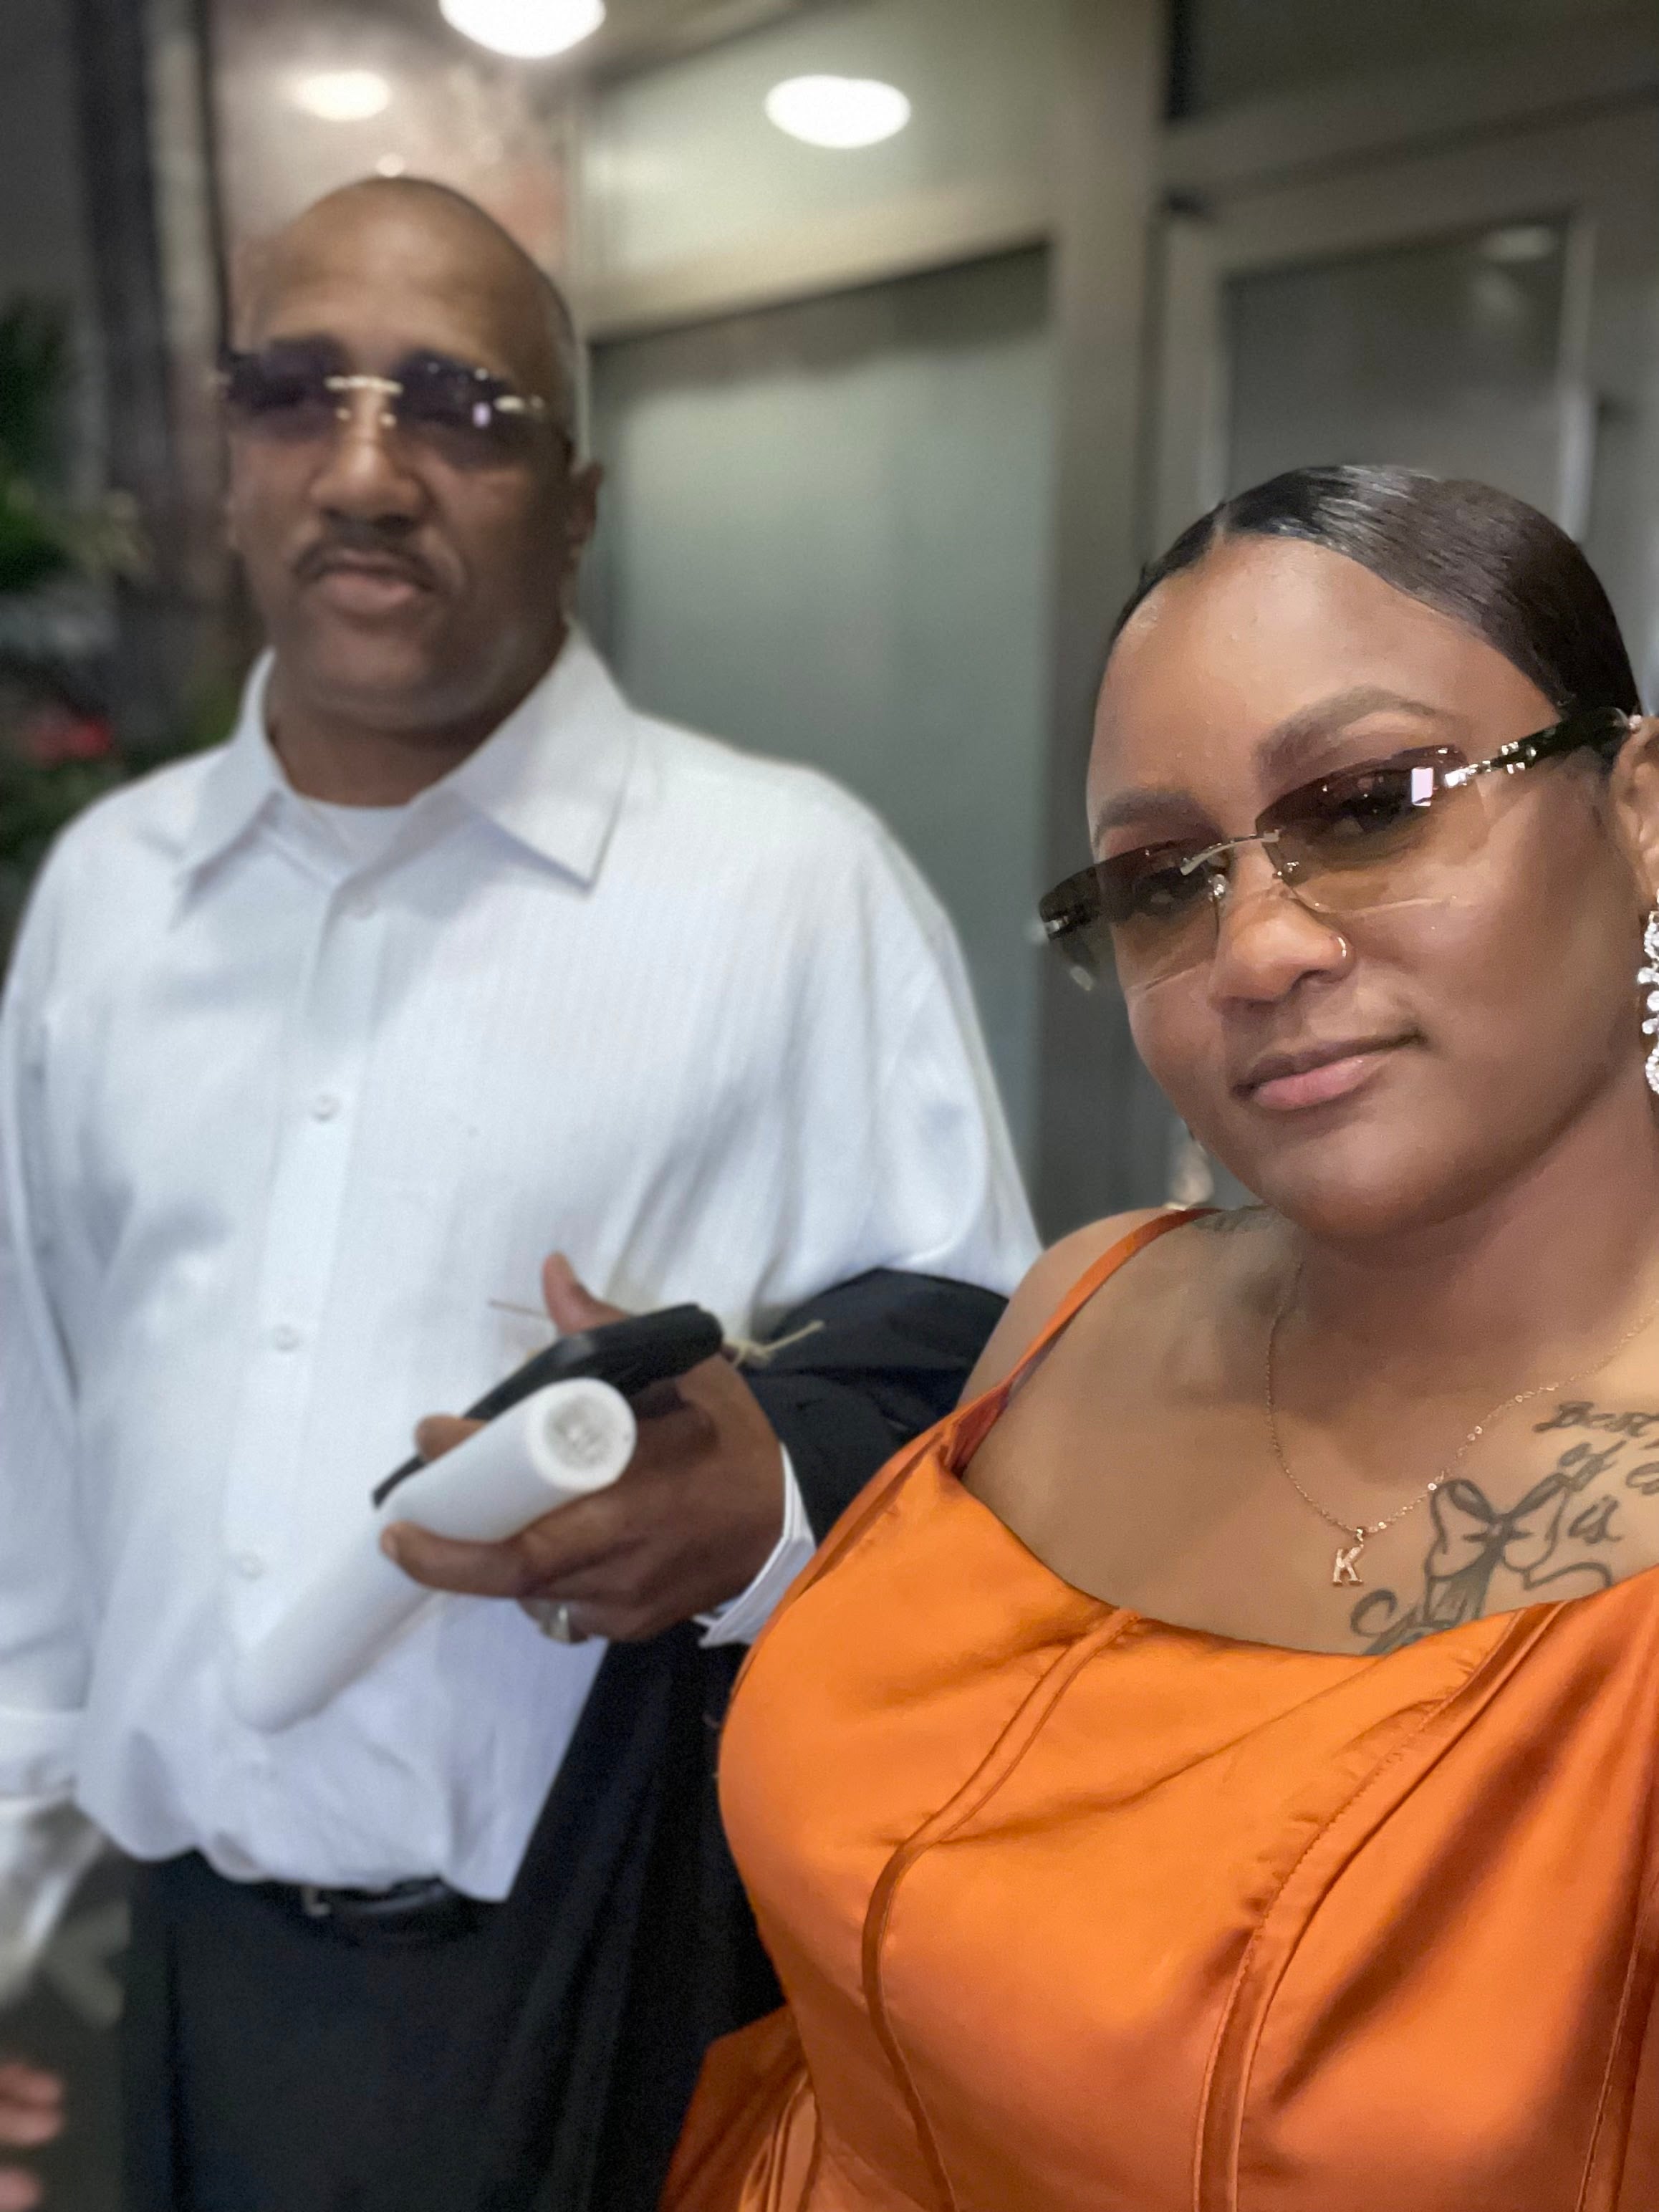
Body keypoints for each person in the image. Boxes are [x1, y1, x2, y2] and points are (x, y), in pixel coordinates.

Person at [0, 175, 1037, 2212]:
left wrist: (761, 1507)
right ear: (229, 460)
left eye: (459, 406)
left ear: (577, 501)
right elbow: (35, 1457)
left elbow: (992, 1412)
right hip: (183, 1987)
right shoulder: (113, 899)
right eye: (298, 393)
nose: (366, 471)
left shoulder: (783, 888)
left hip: (617, 1997)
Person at [663, 465, 1659, 2212]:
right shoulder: (1079, 1310)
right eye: (1159, 879)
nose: (1253, 948)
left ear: (1640, 811)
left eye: (1370, 804)